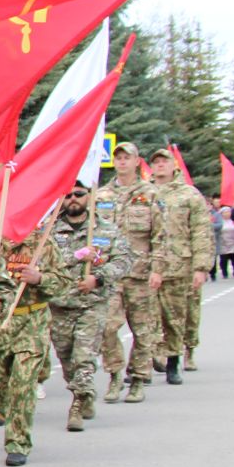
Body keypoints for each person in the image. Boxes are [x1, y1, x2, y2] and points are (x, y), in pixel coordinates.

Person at [45, 184, 133, 431]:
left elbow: (124, 260)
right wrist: (76, 257)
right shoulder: (49, 230)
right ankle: (83, 393)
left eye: (79, 194)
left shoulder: (105, 229)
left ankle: (77, 403)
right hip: (60, 303)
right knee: (66, 358)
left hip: (92, 304)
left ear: (90, 197)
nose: (73, 199)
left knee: (84, 357)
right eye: (68, 195)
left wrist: (98, 278)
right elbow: (42, 262)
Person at [0, 230, 50, 467]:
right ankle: (12, 414)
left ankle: (17, 442)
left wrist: (39, 278)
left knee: (23, 383)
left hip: (32, 322)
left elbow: (65, 284)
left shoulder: (43, 243)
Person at [98, 144, 163, 404]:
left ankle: (137, 379)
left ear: (137, 162)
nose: (122, 162)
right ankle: (114, 375)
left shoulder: (150, 193)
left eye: (127, 158)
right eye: (118, 158)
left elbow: (161, 235)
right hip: (111, 273)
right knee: (108, 327)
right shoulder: (101, 194)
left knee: (142, 330)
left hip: (140, 272)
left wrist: (158, 269)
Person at [146, 148, 211, 382]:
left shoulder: (189, 195)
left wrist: (201, 267)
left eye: (164, 161)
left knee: (176, 316)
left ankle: (177, 357)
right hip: (149, 267)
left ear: (174, 165)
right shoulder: (145, 193)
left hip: (179, 265)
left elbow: (202, 232)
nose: (160, 165)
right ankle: (153, 356)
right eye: (156, 162)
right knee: (148, 317)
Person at [217, 205, 234, 278]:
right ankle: (224, 272)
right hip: (223, 243)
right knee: (223, 259)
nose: (227, 214)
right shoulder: (220, 222)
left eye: (228, 212)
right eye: (225, 212)